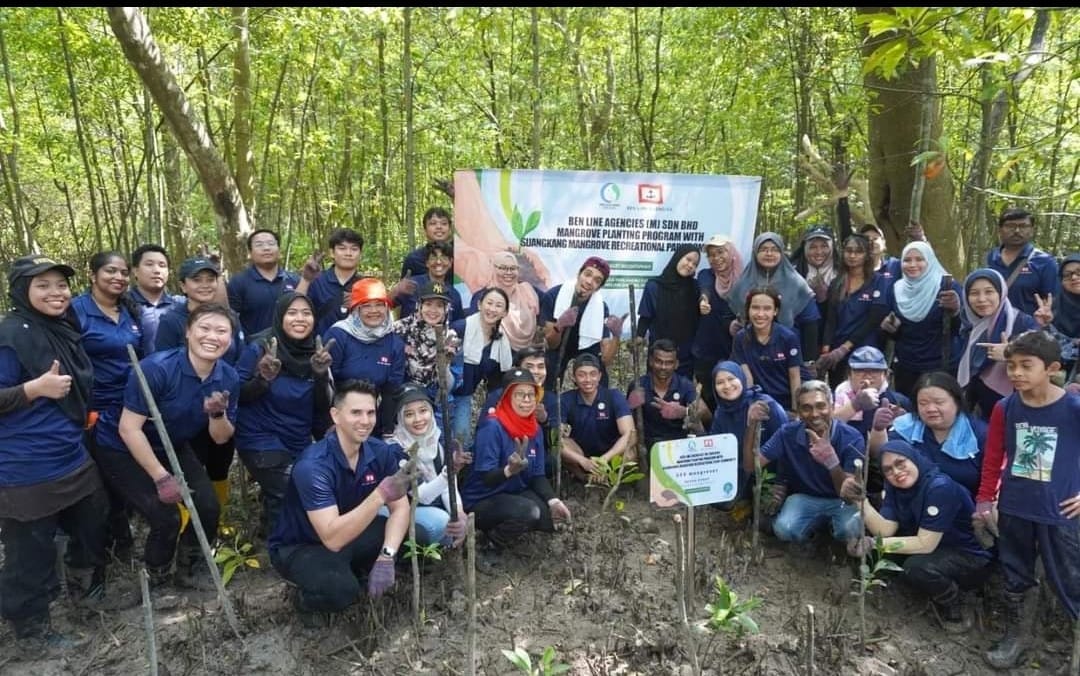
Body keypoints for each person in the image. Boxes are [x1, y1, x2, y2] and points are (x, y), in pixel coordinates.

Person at [0, 255, 128, 646]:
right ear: (23, 291)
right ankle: (31, 629)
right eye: (43, 286)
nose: (56, 293)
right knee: (30, 549)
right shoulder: (10, 334)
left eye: (60, 285)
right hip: (25, 464)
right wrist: (32, 390)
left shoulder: (63, 325)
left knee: (92, 520)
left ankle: (85, 594)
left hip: (70, 453)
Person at [93, 303, 239, 588]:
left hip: (170, 443)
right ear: (187, 332)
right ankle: (157, 576)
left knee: (208, 507)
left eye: (222, 331)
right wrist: (161, 477)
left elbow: (221, 437)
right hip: (120, 446)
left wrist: (217, 414)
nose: (212, 336)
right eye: (204, 328)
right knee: (166, 517)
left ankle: (189, 569)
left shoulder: (228, 376)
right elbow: (129, 428)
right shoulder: (157, 368)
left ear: (231, 338)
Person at [268, 380, 415, 627]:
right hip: (303, 546)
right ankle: (305, 601)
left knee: (412, 536)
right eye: (356, 412)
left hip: (350, 532)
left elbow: (400, 508)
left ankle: (360, 571)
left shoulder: (379, 452)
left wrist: (386, 556)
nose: (365, 421)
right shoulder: (313, 466)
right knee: (341, 591)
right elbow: (332, 538)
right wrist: (379, 495)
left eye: (370, 413)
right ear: (335, 416)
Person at [973, 331, 1080, 669]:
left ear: (1052, 368)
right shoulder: (1006, 408)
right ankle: (1018, 637)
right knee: (1016, 572)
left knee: (1069, 578)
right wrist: (984, 500)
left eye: (1025, 366)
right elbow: (993, 458)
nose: (1016, 373)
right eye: (1011, 366)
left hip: (1060, 510)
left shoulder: (1073, 408)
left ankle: (1068, 646)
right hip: (1016, 506)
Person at [847, 440, 991, 633]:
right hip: (930, 546)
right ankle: (901, 596)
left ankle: (958, 601)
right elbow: (886, 530)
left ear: (914, 459)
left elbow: (925, 545)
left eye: (901, 463)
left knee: (917, 567)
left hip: (968, 555)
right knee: (875, 557)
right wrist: (860, 502)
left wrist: (873, 543)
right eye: (888, 470)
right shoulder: (894, 487)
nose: (896, 472)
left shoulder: (939, 487)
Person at [234, 293, 334, 534]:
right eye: (292, 313)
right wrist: (263, 379)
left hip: (297, 438)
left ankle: (271, 531)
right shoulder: (260, 347)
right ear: (280, 316)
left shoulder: (316, 351)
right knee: (293, 488)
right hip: (260, 437)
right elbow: (235, 393)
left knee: (305, 485)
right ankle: (286, 548)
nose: (299, 319)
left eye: (306, 313)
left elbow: (321, 407)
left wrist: (320, 375)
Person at [154, 256, 244, 511]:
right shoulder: (172, 320)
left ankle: (220, 515)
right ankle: (188, 521)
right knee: (189, 469)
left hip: (221, 404)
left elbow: (237, 357)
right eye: (197, 279)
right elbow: (164, 363)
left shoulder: (230, 317)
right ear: (183, 286)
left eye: (210, 279)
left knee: (220, 463)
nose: (204, 285)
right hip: (186, 410)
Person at [72, 251, 144, 556]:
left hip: (130, 407)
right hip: (93, 409)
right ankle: (105, 546)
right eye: (110, 271)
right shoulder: (76, 310)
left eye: (123, 273)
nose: (118, 278)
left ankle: (121, 538)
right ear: (93, 275)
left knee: (122, 477)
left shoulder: (130, 309)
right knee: (99, 480)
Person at [461, 367, 571, 546]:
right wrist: (508, 470)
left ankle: (509, 522)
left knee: (551, 521)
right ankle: (489, 543)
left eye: (531, 394)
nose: (527, 400)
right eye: (519, 395)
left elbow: (537, 475)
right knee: (530, 513)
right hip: (482, 499)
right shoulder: (492, 427)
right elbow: (486, 478)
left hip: (514, 491)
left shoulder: (534, 429)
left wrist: (553, 501)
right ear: (506, 397)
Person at [745, 380, 865, 544]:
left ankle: (830, 538)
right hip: (805, 498)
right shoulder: (787, 433)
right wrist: (751, 425)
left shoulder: (852, 437)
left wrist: (831, 461)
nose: (814, 414)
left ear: (832, 406)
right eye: (806, 408)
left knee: (851, 530)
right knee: (783, 528)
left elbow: (847, 496)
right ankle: (814, 536)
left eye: (820, 406)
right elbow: (751, 466)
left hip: (839, 501)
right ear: (799, 412)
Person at [870, 372, 985, 496]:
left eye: (939, 402)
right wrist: (879, 430)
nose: (930, 409)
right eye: (923, 403)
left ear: (957, 401)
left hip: (965, 508)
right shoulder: (906, 426)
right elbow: (882, 455)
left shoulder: (980, 433)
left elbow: (992, 477)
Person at [386, 384, 468, 548]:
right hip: (402, 509)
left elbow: (448, 487)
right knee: (441, 521)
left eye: (423, 411)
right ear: (400, 419)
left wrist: (458, 511)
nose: (418, 419)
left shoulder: (437, 439)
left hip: (430, 505)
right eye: (409, 414)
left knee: (458, 519)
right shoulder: (395, 449)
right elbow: (421, 496)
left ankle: (446, 547)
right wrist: (448, 474)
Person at [880, 241, 964, 398]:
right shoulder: (896, 289)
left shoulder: (946, 287)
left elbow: (963, 329)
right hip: (907, 367)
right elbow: (895, 333)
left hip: (942, 366)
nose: (912, 265)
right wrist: (889, 327)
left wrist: (955, 311)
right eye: (907, 260)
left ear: (930, 261)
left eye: (919, 259)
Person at [324, 277, 406, 436]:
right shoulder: (339, 335)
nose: (373, 311)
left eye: (379, 305)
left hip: (370, 418)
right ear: (356, 310)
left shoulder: (394, 343)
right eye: (366, 306)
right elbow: (326, 384)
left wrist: (386, 431)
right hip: (336, 416)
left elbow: (391, 391)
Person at [957, 268, 1042, 419]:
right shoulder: (969, 323)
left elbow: (1044, 356)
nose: (982, 299)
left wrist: (1011, 353)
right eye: (974, 293)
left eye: (989, 292)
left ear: (1001, 293)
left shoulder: (1022, 322)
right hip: (981, 405)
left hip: (1016, 405)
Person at [728, 232, 821, 358]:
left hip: (787, 353)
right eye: (763, 249)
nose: (769, 254)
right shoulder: (743, 282)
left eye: (774, 250)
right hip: (750, 353)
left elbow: (810, 324)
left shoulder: (796, 283)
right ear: (755, 252)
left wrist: (809, 361)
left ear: (782, 253)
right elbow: (734, 317)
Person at [711, 361, 787, 508]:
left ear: (742, 378)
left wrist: (782, 483)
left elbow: (786, 446)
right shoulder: (721, 412)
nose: (727, 386)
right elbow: (716, 447)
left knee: (767, 518)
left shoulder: (765, 405)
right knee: (720, 501)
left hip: (769, 473)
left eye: (731, 379)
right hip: (738, 471)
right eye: (720, 382)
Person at [539, 256, 624, 390]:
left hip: (587, 347)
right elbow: (551, 344)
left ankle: (596, 407)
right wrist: (559, 326)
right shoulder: (553, 296)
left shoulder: (601, 308)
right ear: (579, 273)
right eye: (587, 274)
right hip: (558, 345)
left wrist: (616, 336)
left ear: (598, 287)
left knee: (598, 375)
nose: (589, 282)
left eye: (597, 280)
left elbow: (606, 360)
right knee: (550, 367)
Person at [817, 234, 889, 383]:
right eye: (849, 251)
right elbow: (831, 320)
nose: (852, 256)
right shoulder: (837, 283)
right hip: (836, 354)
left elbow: (873, 321)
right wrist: (826, 350)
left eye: (858, 252)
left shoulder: (878, 281)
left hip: (865, 351)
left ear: (867, 255)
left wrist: (845, 348)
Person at [450, 286, 512, 447]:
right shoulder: (460, 328)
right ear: (479, 305)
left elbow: (497, 381)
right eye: (489, 303)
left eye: (499, 305)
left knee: (461, 442)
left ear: (505, 312)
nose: (492, 309)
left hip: (464, 396)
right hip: (442, 394)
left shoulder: (501, 342)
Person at [558, 353, 634, 480]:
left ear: (599, 376)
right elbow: (556, 439)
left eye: (593, 374)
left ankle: (610, 480)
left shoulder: (613, 396)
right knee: (561, 445)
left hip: (610, 454)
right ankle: (584, 479)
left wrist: (604, 459)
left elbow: (631, 434)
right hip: (581, 454)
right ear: (574, 377)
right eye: (581, 375)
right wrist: (583, 461)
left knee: (631, 452)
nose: (588, 380)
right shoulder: (565, 399)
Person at [731, 287, 805, 411]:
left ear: (775, 311)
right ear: (748, 310)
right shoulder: (741, 338)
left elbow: (795, 377)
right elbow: (748, 379)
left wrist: (796, 411)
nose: (760, 314)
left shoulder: (788, 338)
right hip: (759, 403)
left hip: (785, 404)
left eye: (767, 309)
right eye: (755, 308)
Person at [392, 279, 461, 406]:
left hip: (434, 397)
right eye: (428, 304)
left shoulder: (450, 337)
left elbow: (450, 386)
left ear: (446, 309)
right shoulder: (400, 329)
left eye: (439, 305)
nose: (433, 310)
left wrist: (444, 363)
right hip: (401, 394)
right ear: (420, 305)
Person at [636, 244, 702, 377]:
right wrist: (638, 337)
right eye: (688, 259)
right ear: (678, 257)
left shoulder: (695, 287)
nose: (690, 265)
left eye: (695, 264)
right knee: (654, 392)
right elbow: (645, 317)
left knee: (681, 394)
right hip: (658, 356)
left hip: (685, 357)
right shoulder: (654, 286)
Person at [692, 234, 741, 411]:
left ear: (731, 253)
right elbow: (705, 289)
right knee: (710, 395)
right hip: (707, 350)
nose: (716, 258)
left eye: (721, 252)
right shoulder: (706, 275)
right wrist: (703, 301)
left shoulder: (743, 278)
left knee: (733, 395)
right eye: (711, 255)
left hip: (733, 349)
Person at [984, 207, 1058, 316]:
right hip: (992, 327)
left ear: (1032, 230)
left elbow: (1053, 301)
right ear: (1000, 230)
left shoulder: (1045, 262)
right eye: (1010, 226)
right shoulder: (989, 258)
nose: (1017, 231)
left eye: (1023, 226)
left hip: (1028, 329)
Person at [627, 339, 697, 451]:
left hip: (678, 446)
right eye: (659, 361)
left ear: (676, 364)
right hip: (647, 447)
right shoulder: (638, 386)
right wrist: (631, 404)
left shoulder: (685, 385)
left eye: (669, 363)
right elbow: (627, 421)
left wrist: (684, 411)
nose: (663, 367)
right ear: (650, 361)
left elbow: (706, 414)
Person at [227, 229, 299, 337]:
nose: (266, 248)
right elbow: (231, 319)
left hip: (291, 347)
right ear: (250, 253)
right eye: (259, 245)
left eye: (271, 244)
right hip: (254, 348)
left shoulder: (294, 280)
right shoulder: (239, 282)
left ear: (279, 250)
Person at [296, 227, 365, 336]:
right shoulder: (316, 281)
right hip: (318, 347)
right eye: (342, 248)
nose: (348, 253)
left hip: (358, 348)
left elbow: (379, 319)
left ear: (360, 254)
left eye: (354, 249)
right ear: (332, 253)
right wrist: (305, 280)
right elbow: (293, 308)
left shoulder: (367, 285)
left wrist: (360, 305)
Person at [831, 346, 911, 438]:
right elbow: (826, 428)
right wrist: (854, 405)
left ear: (885, 375)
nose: (867, 375)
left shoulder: (899, 402)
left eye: (875, 370)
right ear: (849, 374)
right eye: (860, 370)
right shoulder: (834, 399)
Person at [471, 251, 541, 352]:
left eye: (513, 268)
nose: (508, 273)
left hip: (525, 358)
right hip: (493, 357)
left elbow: (548, 310)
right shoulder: (482, 296)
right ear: (494, 269)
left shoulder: (527, 291)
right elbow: (475, 331)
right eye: (503, 268)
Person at [129, 243, 181, 355]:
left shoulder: (179, 305)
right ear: (135, 271)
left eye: (162, 265)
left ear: (168, 272)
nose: (157, 270)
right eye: (149, 264)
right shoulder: (121, 305)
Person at [395, 241, 464, 322]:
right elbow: (386, 306)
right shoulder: (411, 284)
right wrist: (396, 290)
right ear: (427, 263)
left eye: (444, 258)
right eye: (433, 257)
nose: (438, 262)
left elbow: (457, 325)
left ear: (450, 263)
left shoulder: (454, 294)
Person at [1049, 253, 1080, 378]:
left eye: (1079, 272)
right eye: (1067, 275)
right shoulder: (1052, 307)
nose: (1074, 277)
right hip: (1057, 376)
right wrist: (1044, 325)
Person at [401, 206, 453, 279]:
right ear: (424, 230)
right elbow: (404, 288)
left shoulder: (459, 257)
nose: (439, 227)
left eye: (444, 223)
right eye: (433, 223)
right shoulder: (413, 259)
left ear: (450, 229)